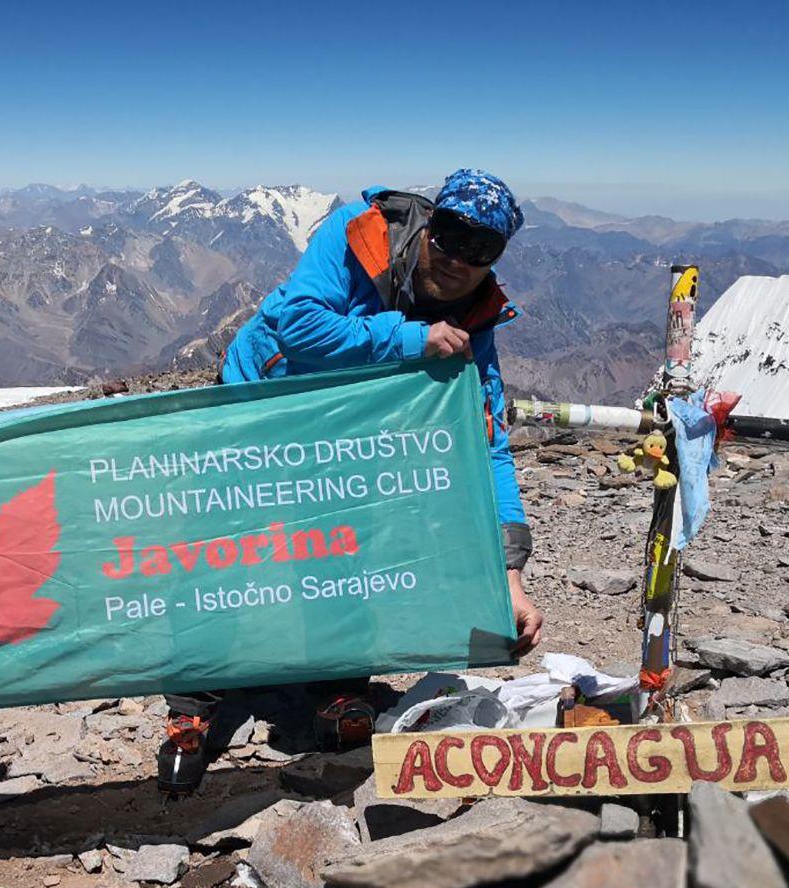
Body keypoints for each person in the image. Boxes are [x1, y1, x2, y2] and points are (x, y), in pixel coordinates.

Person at [157, 169, 545, 794]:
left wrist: (508, 575)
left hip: (347, 427)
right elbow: (298, 327)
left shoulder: (477, 316)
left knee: (344, 543)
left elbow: (488, 443)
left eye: (483, 249)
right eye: (450, 234)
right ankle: (192, 707)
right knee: (221, 546)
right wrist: (411, 337)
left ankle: (337, 687)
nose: (459, 258)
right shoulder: (356, 233)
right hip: (262, 400)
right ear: (429, 222)